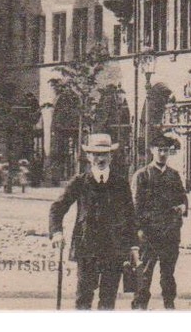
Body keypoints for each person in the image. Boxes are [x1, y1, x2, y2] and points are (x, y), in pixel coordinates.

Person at [49, 133, 139, 311]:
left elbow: (130, 216)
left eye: (104, 154)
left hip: (114, 248)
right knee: (83, 298)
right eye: (96, 154)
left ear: (111, 157)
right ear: (89, 157)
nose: (100, 159)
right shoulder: (80, 182)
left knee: (108, 300)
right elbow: (57, 207)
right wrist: (57, 232)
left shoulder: (120, 183)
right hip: (86, 247)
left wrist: (134, 247)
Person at [131, 132, 188, 310]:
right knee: (145, 273)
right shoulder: (142, 175)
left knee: (168, 273)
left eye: (166, 150)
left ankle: (169, 305)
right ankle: (140, 306)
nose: (162, 154)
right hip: (149, 235)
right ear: (152, 151)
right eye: (159, 150)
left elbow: (183, 198)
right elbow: (136, 207)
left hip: (170, 233)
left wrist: (182, 208)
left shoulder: (174, 175)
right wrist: (140, 230)